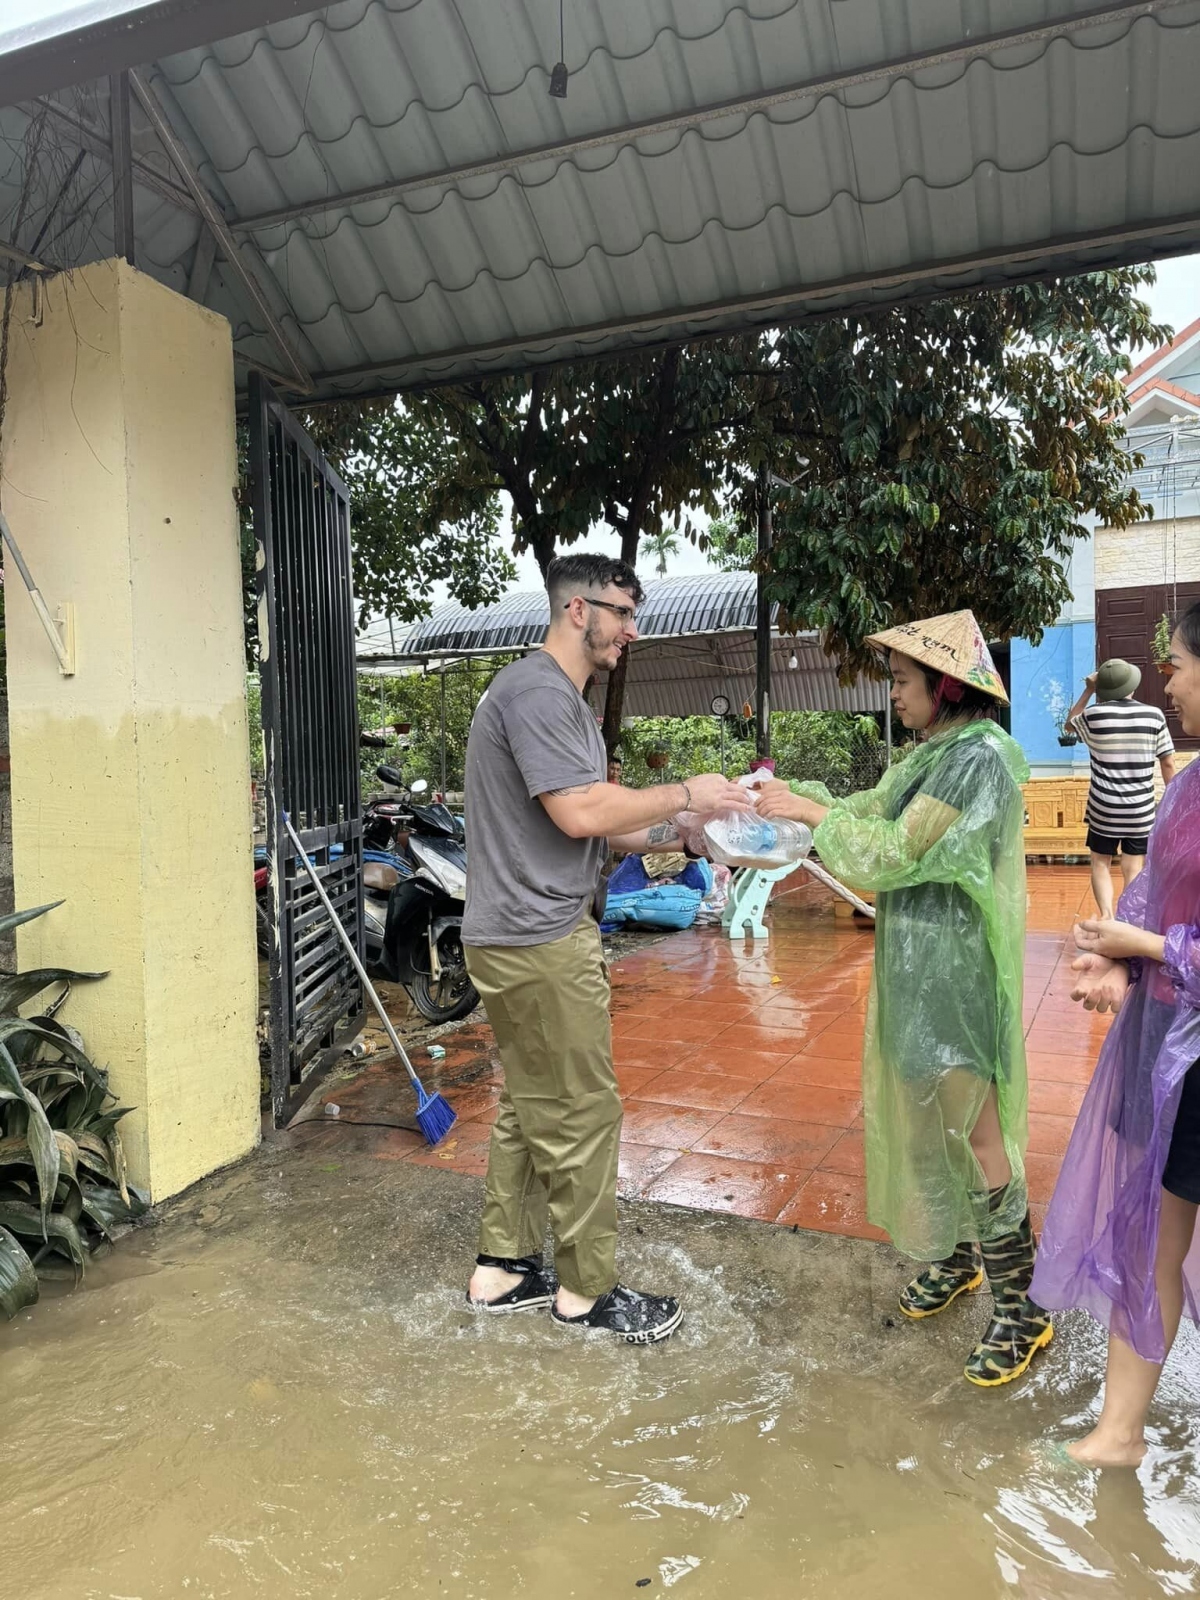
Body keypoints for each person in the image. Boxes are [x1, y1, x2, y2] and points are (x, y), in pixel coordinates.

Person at [755, 611, 1049, 1385]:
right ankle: (956, 1259)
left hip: (954, 977)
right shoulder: (932, 753)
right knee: (927, 1128)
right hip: (915, 974)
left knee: (977, 1136)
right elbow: (870, 813)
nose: (894, 696)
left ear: (945, 685)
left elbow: (893, 851)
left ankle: (1025, 1308)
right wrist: (797, 798)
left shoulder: (976, 759)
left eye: (902, 681)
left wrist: (811, 814)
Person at [461, 552, 748, 1343]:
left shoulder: (559, 703)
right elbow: (583, 812)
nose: (632, 629)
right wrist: (688, 790)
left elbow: (610, 824)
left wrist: (691, 832)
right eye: (621, 612)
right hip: (539, 939)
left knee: (526, 1104)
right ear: (576, 610)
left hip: (517, 936)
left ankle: (504, 1268)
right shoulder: (537, 693)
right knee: (586, 1113)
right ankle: (587, 1294)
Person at [1031, 604, 1200, 1466]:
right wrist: (1120, 962)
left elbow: (1158, 926)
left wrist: (1149, 948)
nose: (1168, 681)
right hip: (1174, 1056)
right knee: (1154, 1238)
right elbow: (1151, 897)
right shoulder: (1187, 785)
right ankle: (1118, 1431)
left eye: (1178, 663)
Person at [1066, 659, 1175, 919]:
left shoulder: (1093, 716)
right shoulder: (1154, 715)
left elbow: (1070, 724)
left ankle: (1106, 916)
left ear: (1103, 689)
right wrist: (1173, 801)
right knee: (1133, 866)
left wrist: (1088, 690)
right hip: (1140, 809)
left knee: (1101, 862)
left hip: (1104, 807)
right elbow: (1168, 762)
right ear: (1132, 685)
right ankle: (1126, 919)